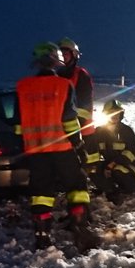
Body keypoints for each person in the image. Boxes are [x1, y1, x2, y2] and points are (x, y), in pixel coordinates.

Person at [15, 42, 99, 252]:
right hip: (62, 149)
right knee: (77, 185)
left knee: (41, 193)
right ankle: (80, 227)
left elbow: (18, 124)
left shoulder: (22, 87)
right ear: (56, 60)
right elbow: (70, 120)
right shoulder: (63, 85)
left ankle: (42, 235)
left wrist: (21, 148)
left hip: (36, 151)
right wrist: (78, 145)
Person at [56, 37, 101, 177]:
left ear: (74, 55)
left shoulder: (81, 75)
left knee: (89, 162)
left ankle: (103, 187)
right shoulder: (56, 76)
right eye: (60, 54)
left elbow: (84, 106)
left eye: (66, 54)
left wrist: (74, 128)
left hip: (82, 129)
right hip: (63, 129)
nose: (63, 57)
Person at [93, 99, 135, 204]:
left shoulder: (127, 131)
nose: (114, 115)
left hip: (129, 167)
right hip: (108, 165)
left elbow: (130, 154)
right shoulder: (99, 131)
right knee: (93, 169)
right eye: (111, 113)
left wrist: (112, 164)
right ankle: (110, 190)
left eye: (117, 113)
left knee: (118, 170)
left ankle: (127, 188)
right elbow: (95, 150)